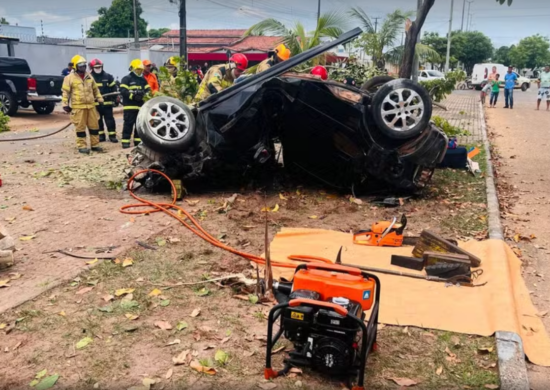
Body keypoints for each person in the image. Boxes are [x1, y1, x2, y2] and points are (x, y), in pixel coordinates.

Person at [61, 55, 104, 154]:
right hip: (78, 108)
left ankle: (95, 145)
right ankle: (82, 146)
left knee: (94, 127)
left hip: (91, 106)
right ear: (75, 66)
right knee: (80, 128)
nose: (83, 68)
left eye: (84, 66)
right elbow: (65, 92)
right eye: (80, 66)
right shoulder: (69, 78)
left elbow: (95, 90)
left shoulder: (89, 76)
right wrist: (65, 104)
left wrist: (100, 99)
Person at [120, 59, 151, 149]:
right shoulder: (126, 79)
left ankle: (137, 142)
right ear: (132, 69)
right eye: (137, 69)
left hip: (140, 107)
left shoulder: (142, 80)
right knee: (128, 125)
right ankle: (125, 142)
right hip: (129, 107)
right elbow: (123, 91)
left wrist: (143, 95)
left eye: (140, 70)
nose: (139, 71)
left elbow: (148, 90)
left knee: (139, 125)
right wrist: (132, 96)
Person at [89, 58, 118, 143]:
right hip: (95, 104)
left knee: (110, 120)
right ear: (92, 67)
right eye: (96, 67)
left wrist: (115, 98)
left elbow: (114, 88)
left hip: (107, 104)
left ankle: (112, 136)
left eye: (99, 67)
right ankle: (101, 136)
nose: (98, 68)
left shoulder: (108, 77)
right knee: (98, 121)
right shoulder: (89, 77)